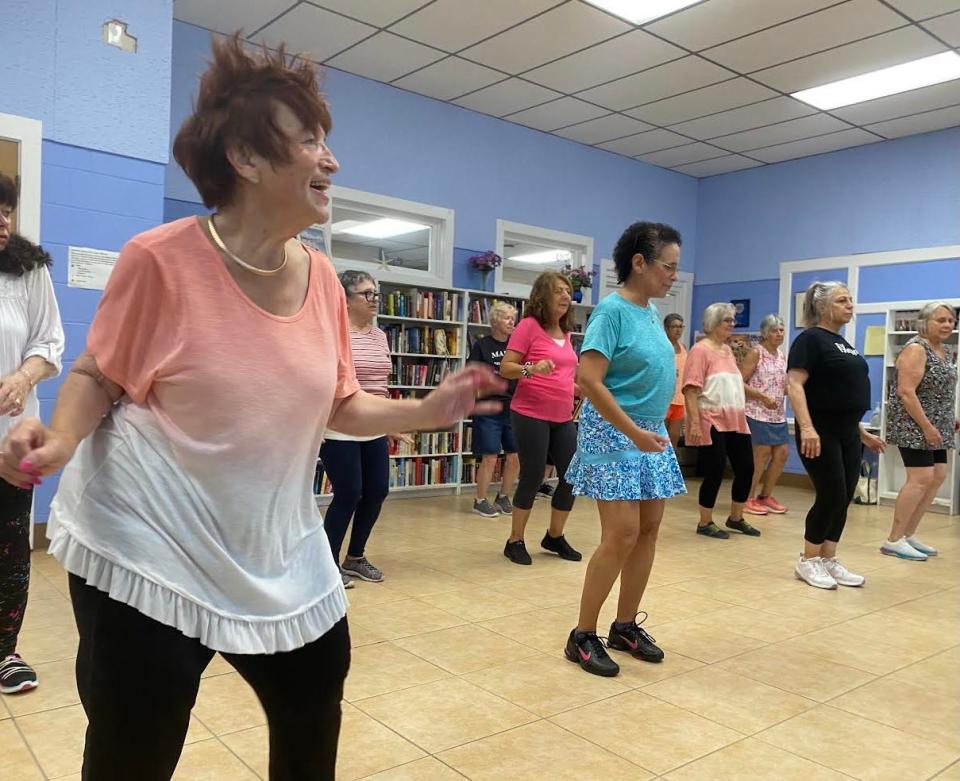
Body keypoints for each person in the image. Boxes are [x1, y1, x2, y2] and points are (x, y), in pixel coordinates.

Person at [0, 37, 503, 780]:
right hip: (151, 541)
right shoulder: (160, 259)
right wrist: (64, 436)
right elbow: (101, 373)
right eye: (309, 141)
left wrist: (423, 410)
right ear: (246, 157)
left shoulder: (326, 280)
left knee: (314, 694)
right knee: (136, 745)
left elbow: (339, 401)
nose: (330, 160)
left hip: (272, 542)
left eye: (326, 141)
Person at [565, 222, 686, 677]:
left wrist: (648, 431)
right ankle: (581, 634)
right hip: (615, 434)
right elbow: (589, 380)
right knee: (621, 534)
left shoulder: (650, 312)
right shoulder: (610, 312)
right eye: (668, 266)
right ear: (639, 263)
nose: (673, 275)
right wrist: (634, 432)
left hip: (648, 432)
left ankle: (624, 625)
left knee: (649, 529)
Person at [0, 173, 64, 695]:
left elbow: (50, 341)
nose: (4, 220)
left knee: (10, 549)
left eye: (7, 210)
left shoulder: (27, 271)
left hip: (12, 440)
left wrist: (24, 376)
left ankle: (4, 651)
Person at [787, 281, 884, 589]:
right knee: (830, 495)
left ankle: (829, 559)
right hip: (820, 431)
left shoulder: (845, 344)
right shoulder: (810, 340)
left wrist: (862, 432)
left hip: (848, 433)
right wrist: (805, 427)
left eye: (850, 300)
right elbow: (795, 384)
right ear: (823, 307)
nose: (850, 305)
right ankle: (808, 560)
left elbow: (840, 393)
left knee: (843, 498)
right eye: (843, 300)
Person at [321, 270, 409, 587]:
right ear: (344, 299)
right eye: (366, 294)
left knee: (376, 492)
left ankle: (355, 558)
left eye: (375, 293)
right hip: (340, 425)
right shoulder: (333, 332)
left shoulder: (379, 335)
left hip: (373, 424)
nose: (374, 299)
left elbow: (381, 385)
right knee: (349, 493)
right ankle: (327, 565)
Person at [500, 271, 581, 565]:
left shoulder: (567, 332)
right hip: (530, 413)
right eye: (558, 290)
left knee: (572, 475)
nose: (565, 296)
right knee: (533, 476)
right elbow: (506, 367)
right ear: (543, 296)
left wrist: (584, 389)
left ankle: (554, 537)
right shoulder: (528, 326)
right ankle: (515, 540)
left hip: (562, 416)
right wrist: (530, 369)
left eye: (567, 291)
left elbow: (562, 377)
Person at [882, 301, 958, 560]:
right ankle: (893, 539)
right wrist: (926, 426)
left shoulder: (944, 351)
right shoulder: (916, 348)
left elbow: (940, 391)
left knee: (937, 476)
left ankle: (908, 534)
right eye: (941, 320)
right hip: (914, 425)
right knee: (921, 478)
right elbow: (906, 391)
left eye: (950, 320)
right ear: (925, 322)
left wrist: (950, 417)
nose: (947, 324)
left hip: (938, 425)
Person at [682, 303, 760, 539]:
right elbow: (691, 390)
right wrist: (694, 423)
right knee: (715, 470)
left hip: (736, 418)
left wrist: (761, 396)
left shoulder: (727, 350)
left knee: (746, 468)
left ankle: (736, 518)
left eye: (733, 320)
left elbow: (734, 383)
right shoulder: (700, 350)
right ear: (714, 322)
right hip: (711, 417)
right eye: (728, 320)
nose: (732, 324)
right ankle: (705, 522)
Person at [467, 301, 520, 517]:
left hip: (512, 408)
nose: (511, 322)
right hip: (489, 410)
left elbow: (522, 371)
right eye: (507, 318)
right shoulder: (482, 346)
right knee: (489, 457)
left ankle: (504, 496)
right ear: (495, 321)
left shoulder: (516, 346)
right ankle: (480, 500)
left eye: (513, 319)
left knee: (514, 457)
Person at [741, 314, 790, 516]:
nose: (779, 334)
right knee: (761, 455)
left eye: (781, 330)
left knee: (782, 453)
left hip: (777, 414)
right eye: (774, 330)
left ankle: (765, 495)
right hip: (756, 412)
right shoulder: (756, 353)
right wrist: (761, 396)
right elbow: (739, 382)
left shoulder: (781, 356)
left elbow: (782, 384)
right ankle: (747, 497)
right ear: (764, 333)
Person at [663, 313, 687, 449]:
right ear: (666, 328)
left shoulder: (682, 346)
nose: (678, 330)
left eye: (680, 327)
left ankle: (672, 468)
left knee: (674, 437)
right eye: (674, 327)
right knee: (660, 436)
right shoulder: (661, 345)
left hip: (679, 398)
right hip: (664, 398)